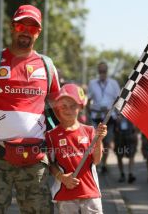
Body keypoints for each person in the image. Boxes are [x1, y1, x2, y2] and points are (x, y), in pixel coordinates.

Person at [0, 4, 60, 213]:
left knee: (41, 210)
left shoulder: (47, 66)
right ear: (12, 27)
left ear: (38, 32)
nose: (26, 31)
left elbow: (59, 108)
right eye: (21, 25)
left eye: (32, 27)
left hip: (35, 155)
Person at [45, 83, 107, 213]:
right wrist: (62, 177)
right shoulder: (51, 135)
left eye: (73, 106)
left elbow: (96, 161)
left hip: (90, 193)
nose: (68, 110)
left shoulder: (90, 131)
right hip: (65, 194)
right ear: (57, 107)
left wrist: (99, 139)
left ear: (81, 106)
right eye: (63, 106)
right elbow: (50, 165)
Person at [87, 62, 120, 174]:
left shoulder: (113, 83)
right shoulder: (92, 83)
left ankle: (104, 163)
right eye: (100, 71)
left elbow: (118, 100)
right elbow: (88, 100)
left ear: (107, 71)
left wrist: (116, 113)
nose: (102, 73)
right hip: (96, 116)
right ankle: (97, 163)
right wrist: (88, 113)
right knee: (95, 140)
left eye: (104, 71)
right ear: (98, 71)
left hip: (109, 117)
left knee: (107, 141)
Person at [114, 114, 138, 183]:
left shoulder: (132, 111)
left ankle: (130, 174)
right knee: (119, 156)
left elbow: (137, 125)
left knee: (131, 155)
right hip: (119, 137)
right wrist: (117, 119)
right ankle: (122, 174)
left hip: (130, 136)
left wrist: (135, 133)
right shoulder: (117, 109)